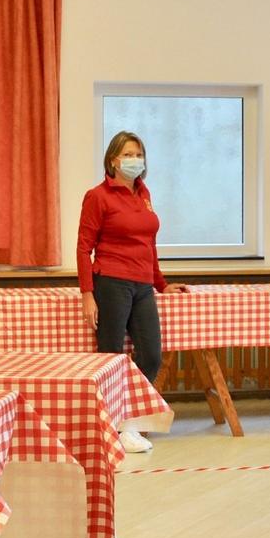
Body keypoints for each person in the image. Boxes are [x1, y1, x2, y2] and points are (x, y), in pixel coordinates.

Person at [77, 131, 187, 452]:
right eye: (127, 154)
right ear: (113, 160)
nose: (134, 160)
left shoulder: (143, 194)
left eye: (138, 154)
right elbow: (84, 248)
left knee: (151, 355)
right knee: (110, 357)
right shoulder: (97, 196)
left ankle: (129, 423)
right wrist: (87, 294)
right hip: (111, 282)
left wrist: (161, 284)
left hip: (142, 286)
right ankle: (109, 426)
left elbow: (149, 245)